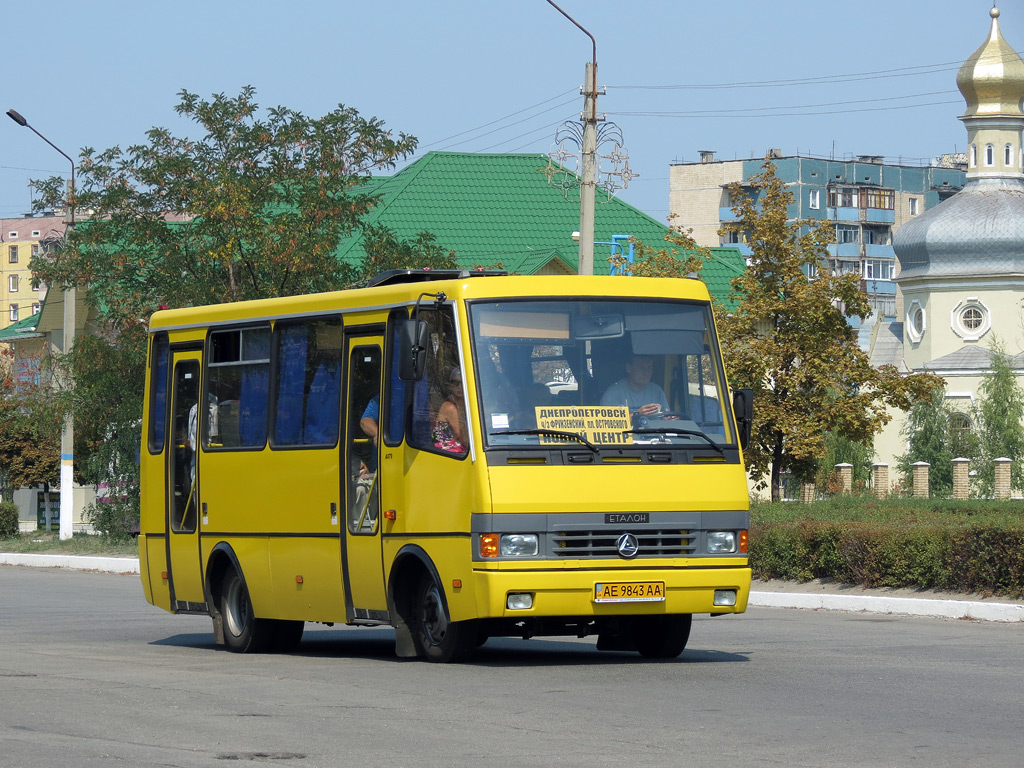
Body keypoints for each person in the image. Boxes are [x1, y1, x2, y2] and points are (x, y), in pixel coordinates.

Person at [600, 354, 669, 417]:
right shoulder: (612, 394)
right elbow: (609, 426)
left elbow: (665, 417)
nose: (646, 372)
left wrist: (669, 419)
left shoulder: (657, 391)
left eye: (649, 367)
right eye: (641, 368)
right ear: (629, 368)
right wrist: (636, 415)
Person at [433, 367, 467, 453]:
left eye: (463, 383)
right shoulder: (449, 407)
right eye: (455, 383)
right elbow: (465, 440)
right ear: (450, 386)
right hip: (448, 454)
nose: (459, 387)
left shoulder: (464, 406)